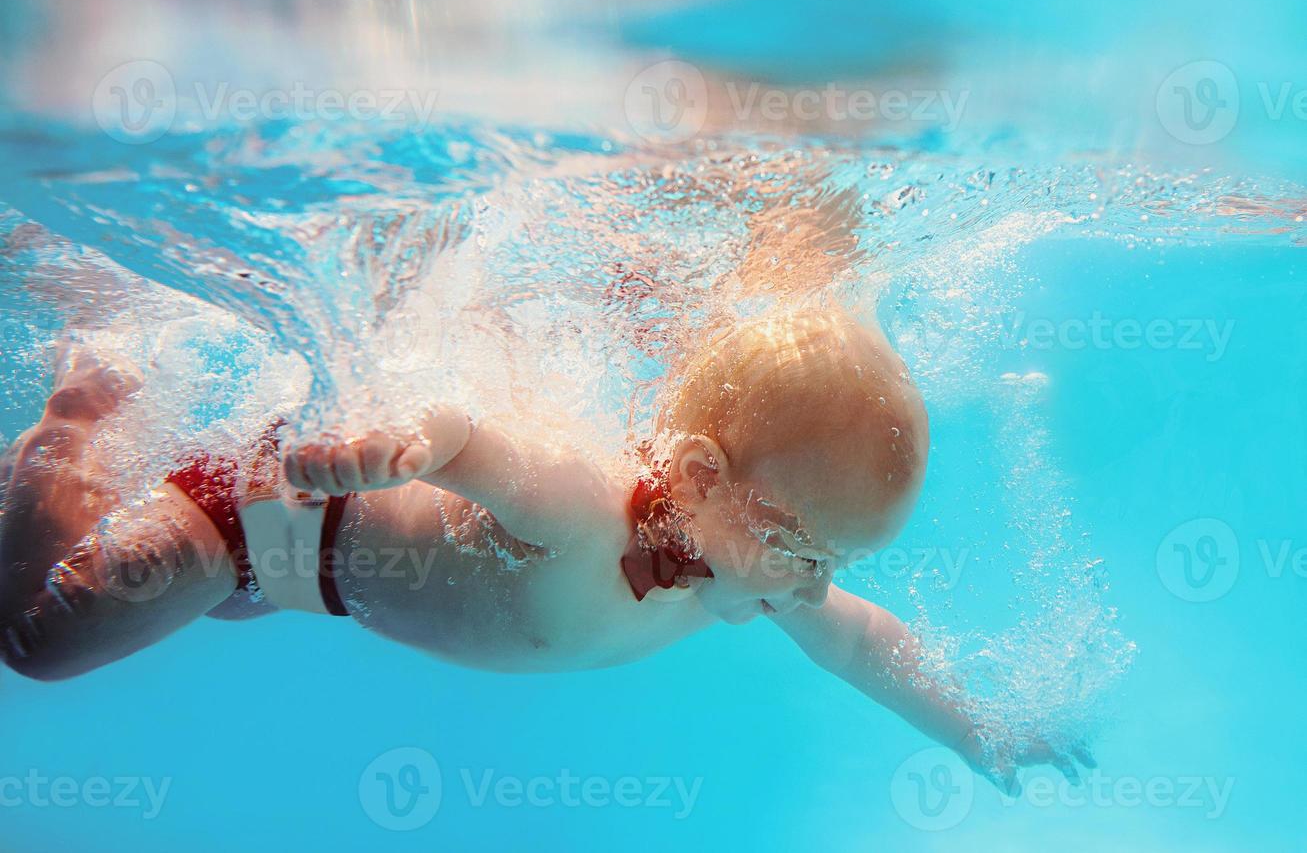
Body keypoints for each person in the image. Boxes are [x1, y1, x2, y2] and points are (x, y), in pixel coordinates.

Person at [0, 310, 1089, 793]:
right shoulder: (592, 507)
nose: (810, 577)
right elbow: (479, 440)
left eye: (827, 557)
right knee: (42, 637)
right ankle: (73, 413)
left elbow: (858, 642)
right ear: (700, 477)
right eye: (800, 541)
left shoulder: (748, 576)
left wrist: (973, 727)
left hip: (303, 583)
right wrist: (407, 444)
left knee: (169, 607)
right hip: (262, 517)